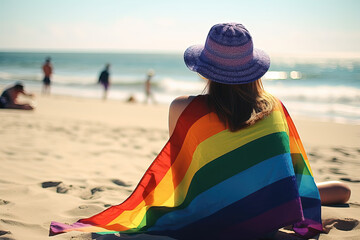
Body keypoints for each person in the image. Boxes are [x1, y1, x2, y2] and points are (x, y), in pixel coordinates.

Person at [50, 23, 351, 239]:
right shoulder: (275, 106)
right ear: (253, 68)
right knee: (341, 189)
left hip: (213, 216)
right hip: (267, 214)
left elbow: (182, 175)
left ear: (205, 69)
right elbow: (288, 167)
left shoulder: (183, 108)